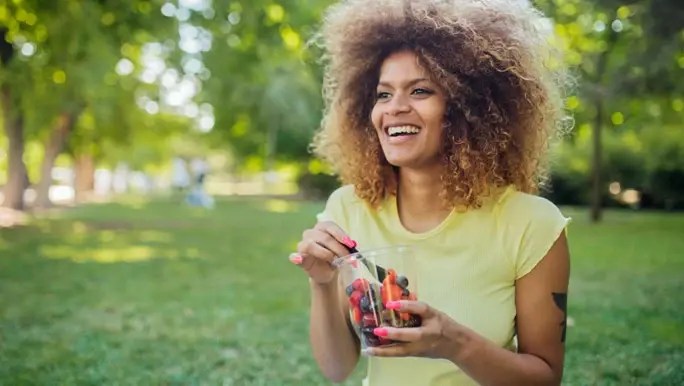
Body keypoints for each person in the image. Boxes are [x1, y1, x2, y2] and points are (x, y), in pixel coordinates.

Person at [289, 0, 573, 385]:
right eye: (383, 94)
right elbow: (337, 369)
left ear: (468, 107)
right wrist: (321, 284)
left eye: (420, 91)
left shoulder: (531, 224)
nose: (394, 109)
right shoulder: (348, 209)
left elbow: (545, 378)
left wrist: (451, 342)